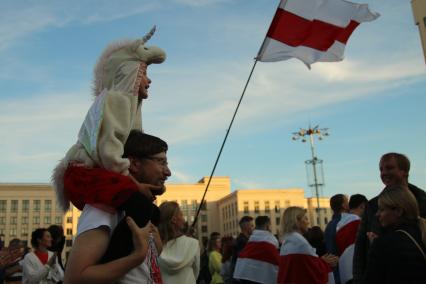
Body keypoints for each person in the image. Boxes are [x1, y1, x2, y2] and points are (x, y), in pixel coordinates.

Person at [51, 27, 167, 262]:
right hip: (84, 174)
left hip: (99, 175)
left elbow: (127, 150)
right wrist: (135, 184)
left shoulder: (130, 106)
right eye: (144, 73)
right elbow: (109, 152)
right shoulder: (116, 100)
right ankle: (107, 263)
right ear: (131, 75)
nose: (149, 80)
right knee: (141, 206)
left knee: (151, 210)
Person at [64, 131, 171, 284]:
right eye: (161, 162)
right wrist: (136, 257)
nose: (168, 172)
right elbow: (74, 278)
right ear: (134, 163)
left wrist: (155, 249)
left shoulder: (144, 209)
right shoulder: (104, 209)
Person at [353, 153, 426, 283]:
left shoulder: (423, 200)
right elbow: (360, 248)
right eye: (381, 169)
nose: (384, 173)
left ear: (404, 171)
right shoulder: (372, 205)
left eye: (389, 168)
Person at [364, 185, 426, 283]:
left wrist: (375, 247)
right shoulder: (421, 232)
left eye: (381, 209)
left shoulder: (384, 244)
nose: (377, 214)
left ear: (398, 211)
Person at [278, 207, 338, 284]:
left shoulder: (287, 240)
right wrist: (325, 262)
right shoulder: (300, 243)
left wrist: (320, 261)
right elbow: (312, 272)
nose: (308, 222)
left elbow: (302, 268)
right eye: (305, 218)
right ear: (297, 221)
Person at [157, 201, 200, 284]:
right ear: (174, 220)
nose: (183, 218)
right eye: (181, 214)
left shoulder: (155, 245)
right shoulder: (193, 244)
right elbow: (196, 272)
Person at [233, 215, 279, 284]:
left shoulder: (249, 242)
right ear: (267, 226)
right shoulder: (243, 241)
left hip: (245, 276)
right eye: (251, 226)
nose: (253, 228)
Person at [335, 194, 367, 284]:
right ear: (362, 206)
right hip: (356, 269)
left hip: (344, 269)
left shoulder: (341, 222)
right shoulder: (357, 222)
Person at [324, 194, 349, 284]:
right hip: (345, 271)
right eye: (347, 201)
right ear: (343, 205)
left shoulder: (329, 225)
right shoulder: (346, 223)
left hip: (336, 272)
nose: (349, 204)